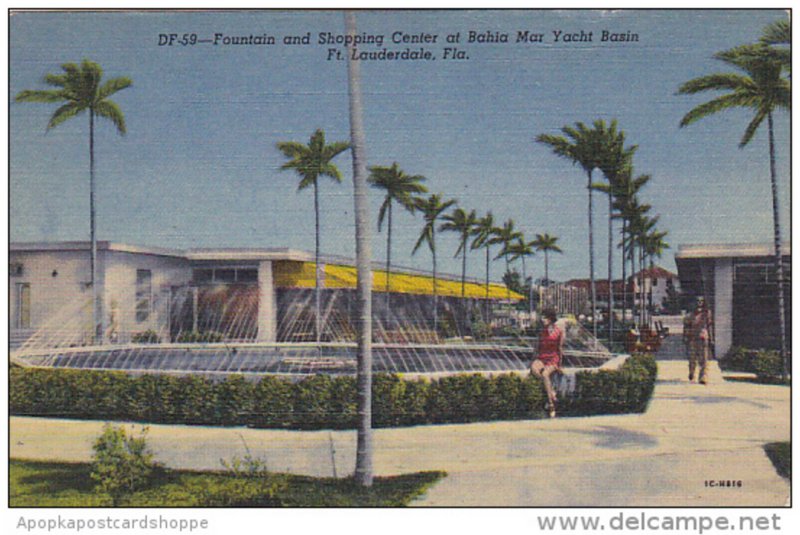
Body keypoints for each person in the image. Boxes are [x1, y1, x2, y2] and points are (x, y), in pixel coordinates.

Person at [531, 308, 564, 418]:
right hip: (542, 357)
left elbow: (560, 348)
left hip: (553, 359)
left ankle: (551, 404)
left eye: (545, 317)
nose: (542, 319)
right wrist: (534, 359)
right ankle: (551, 391)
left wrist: (559, 365)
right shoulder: (542, 332)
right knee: (534, 369)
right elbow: (537, 347)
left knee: (545, 374)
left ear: (550, 319)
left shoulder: (558, 331)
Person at [688, 297, 712, 384]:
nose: (699, 303)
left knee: (704, 359)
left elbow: (709, 326)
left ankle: (703, 377)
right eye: (698, 301)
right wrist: (686, 337)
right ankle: (692, 373)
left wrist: (710, 338)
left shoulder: (706, 314)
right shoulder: (691, 314)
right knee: (692, 358)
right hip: (693, 338)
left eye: (701, 301)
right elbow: (687, 326)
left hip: (703, 337)